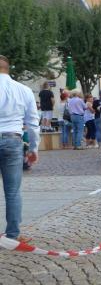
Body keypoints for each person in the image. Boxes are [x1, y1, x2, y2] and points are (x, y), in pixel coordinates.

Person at [0, 55, 39, 241]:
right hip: (12, 139)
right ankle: (12, 235)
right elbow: (33, 123)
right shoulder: (23, 90)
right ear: (8, 68)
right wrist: (33, 148)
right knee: (13, 191)